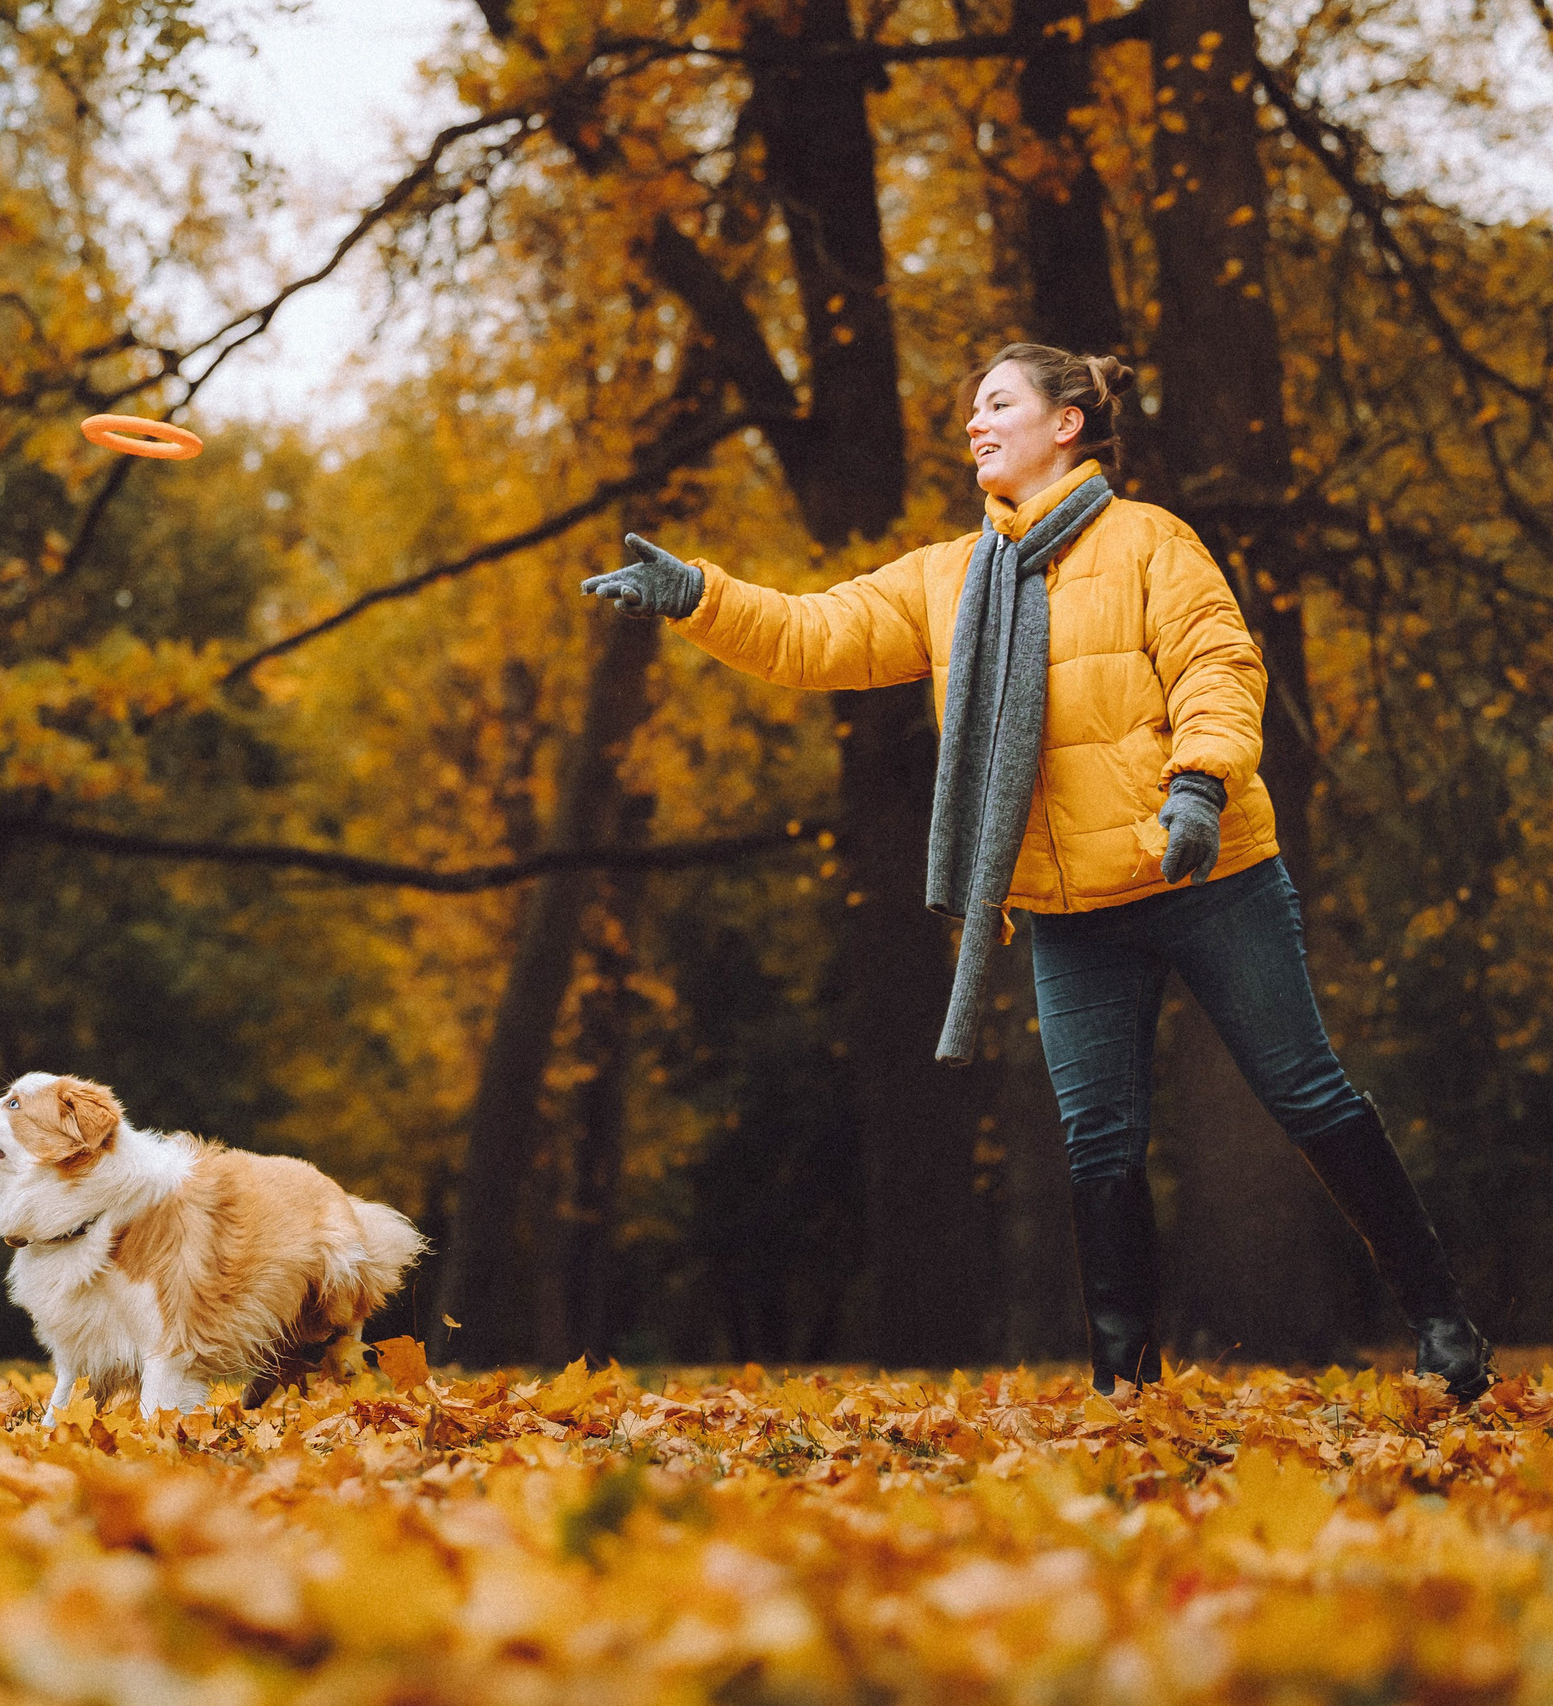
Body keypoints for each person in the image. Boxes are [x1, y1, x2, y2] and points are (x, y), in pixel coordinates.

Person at [580, 343, 1493, 1401]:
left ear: (1066, 423)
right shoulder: (948, 578)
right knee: (1099, 1139)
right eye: (971, 408)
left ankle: (1444, 1326)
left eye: (997, 403)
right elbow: (815, 633)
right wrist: (697, 594)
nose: (974, 423)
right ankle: (1125, 1387)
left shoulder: (1150, 541)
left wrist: (1200, 785)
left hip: (1207, 875)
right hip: (1072, 911)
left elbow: (1217, 665)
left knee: (1303, 1090)